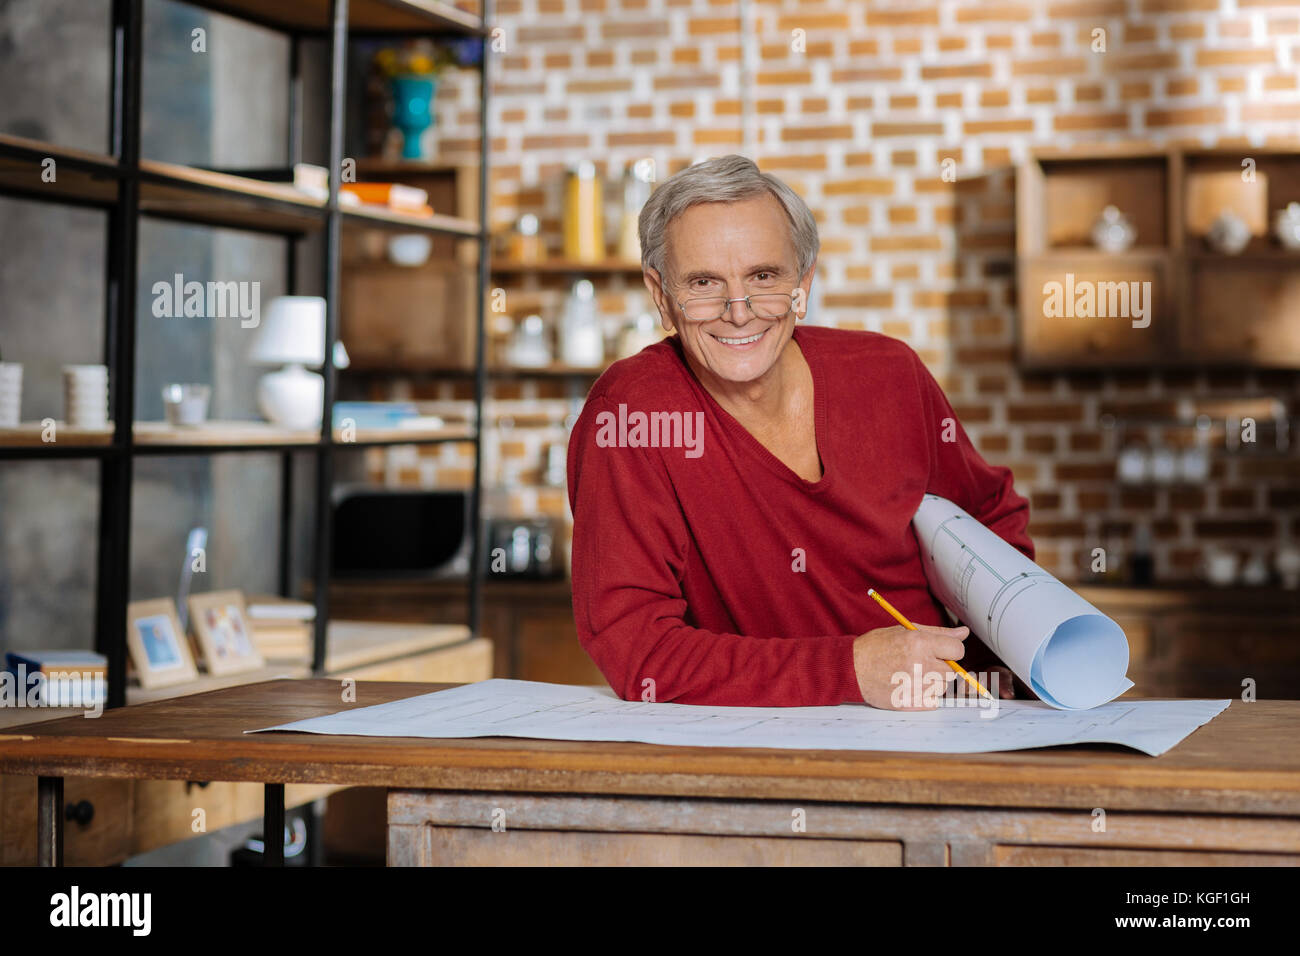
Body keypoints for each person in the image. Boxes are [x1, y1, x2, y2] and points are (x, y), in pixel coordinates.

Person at [566, 154, 1034, 709]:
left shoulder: (889, 373)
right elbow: (636, 648)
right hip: (759, 744)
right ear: (661, 296)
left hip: (948, 716)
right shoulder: (630, 416)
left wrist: (990, 670)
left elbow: (992, 518)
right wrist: (850, 669)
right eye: (704, 282)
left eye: (764, 277)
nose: (738, 312)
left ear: (802, 284)